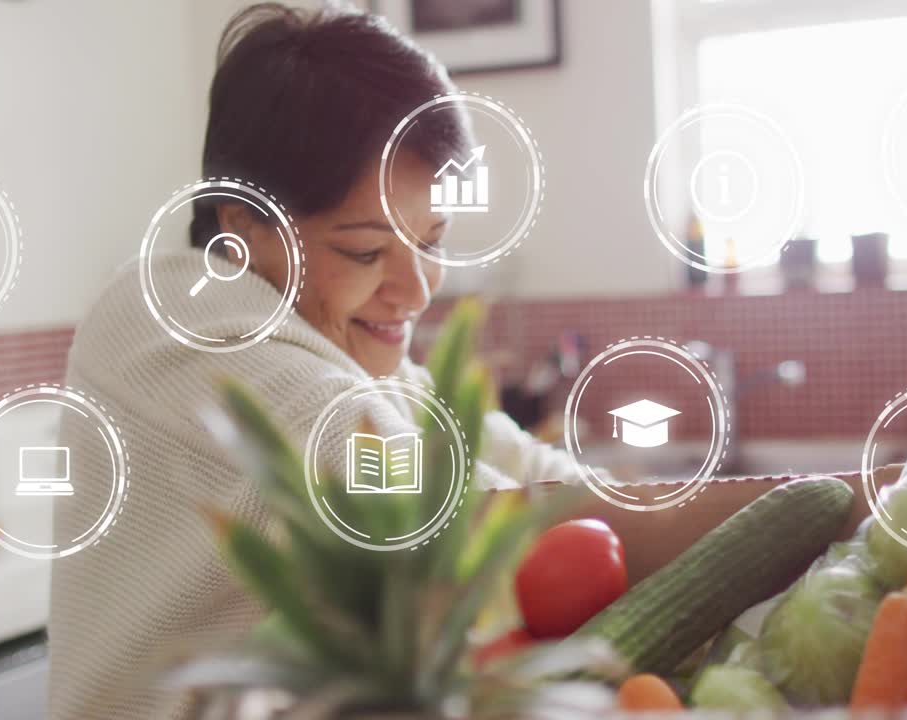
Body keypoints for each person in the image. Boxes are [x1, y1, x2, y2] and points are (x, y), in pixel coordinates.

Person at [47, 4, 582, 719]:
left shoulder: (347, 353)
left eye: (432, 238)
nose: (418, 289)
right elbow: (464, 517)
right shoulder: (175, 317)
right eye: (365, 251)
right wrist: (776, 520)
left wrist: (761, 502)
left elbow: (546, 483)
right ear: (242, 226)